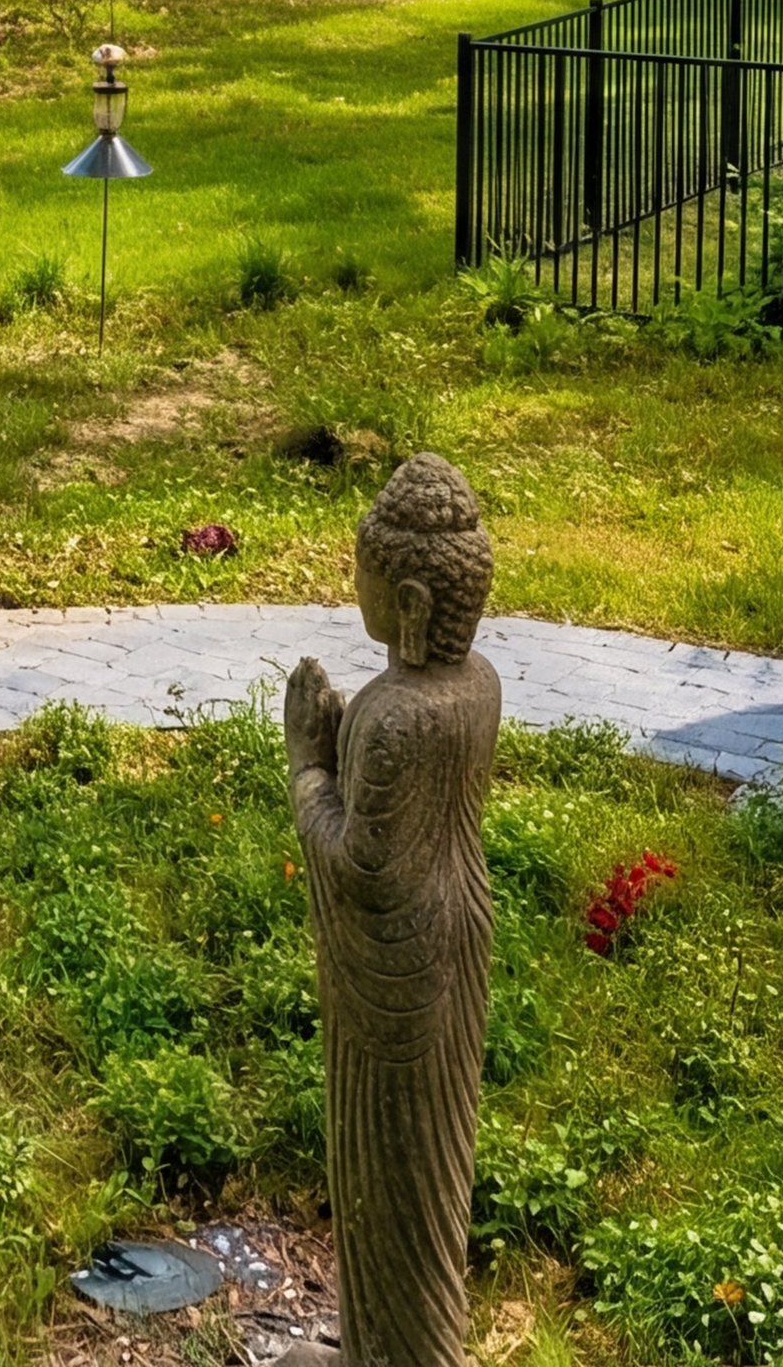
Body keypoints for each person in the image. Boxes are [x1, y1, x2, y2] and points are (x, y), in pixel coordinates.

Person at [286, 454, 503, 1367]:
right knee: (429, 1174)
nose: (356, 590)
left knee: (392, 1169)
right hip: (458, 937)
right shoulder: (478, 684)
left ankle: (403, 1354)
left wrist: (306, 764)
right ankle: (378, 1349)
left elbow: (364, 864)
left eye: (367, 578)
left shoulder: (396, 715)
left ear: (409, 604)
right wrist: (342, 762)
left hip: (396, 971)